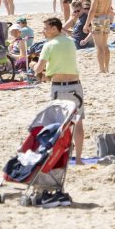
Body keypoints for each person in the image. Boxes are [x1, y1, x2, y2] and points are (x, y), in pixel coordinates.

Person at [34, 17, 85, 163]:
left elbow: (38, 68)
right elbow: (63, 63)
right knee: (78, 122)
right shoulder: (70, 42)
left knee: (61, 124)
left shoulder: (49, 45)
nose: (43, 31)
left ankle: (63, 156)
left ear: (54, 28)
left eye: (45, 28)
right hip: (76, 85)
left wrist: (35, 69)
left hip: (59, 88)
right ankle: (79, 158)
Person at [87, 0, 114, 74]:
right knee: (104, 45)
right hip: (106, 19)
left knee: (98, 46)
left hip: (98, 19)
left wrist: (87, 24)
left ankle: (101, 69)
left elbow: (92, 10)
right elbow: (109, 8)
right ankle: (106, 67)